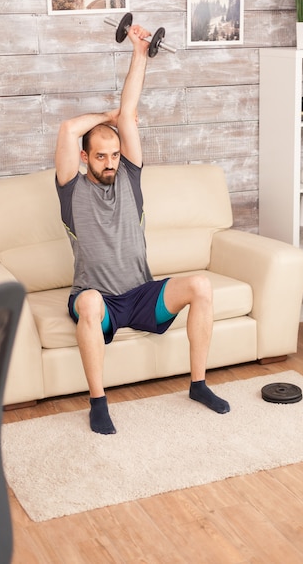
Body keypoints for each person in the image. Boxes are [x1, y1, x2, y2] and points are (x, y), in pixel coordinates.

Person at [55, 22, 230, 435]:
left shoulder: (130, 179)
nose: (111, 162)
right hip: (98, 301)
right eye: (101, 156)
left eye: (115, 154)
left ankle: (199, 385)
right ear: (84, 158)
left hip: (140, 294)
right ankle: (99, 403)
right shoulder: (70, 191)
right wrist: (107, 116)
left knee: (201, 286)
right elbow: (67, 129)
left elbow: (130, 114)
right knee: (92, 303)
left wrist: (139, 51)